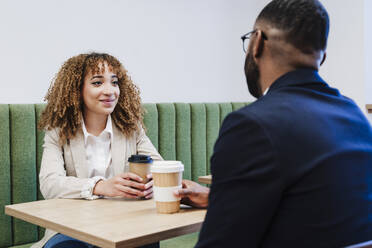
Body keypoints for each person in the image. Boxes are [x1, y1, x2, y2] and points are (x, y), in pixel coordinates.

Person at [175, 0, 372, 247]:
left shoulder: (252, 125)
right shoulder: (356, 118)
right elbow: (313, 208)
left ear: (257, 42)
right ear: (321, 58)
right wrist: (219, 197)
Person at [34, 53, 162, 248]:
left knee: (146, 241)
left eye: (114, 82)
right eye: (97, 83)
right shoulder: (57, 131)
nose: (110, 91)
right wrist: (99, 186)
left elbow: (159, 165)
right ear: (77, 90)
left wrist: (153, 180)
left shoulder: (130, 127)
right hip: (72, 228)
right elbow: (50, 183)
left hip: (124, 224)